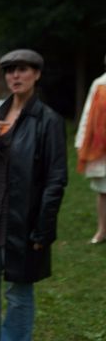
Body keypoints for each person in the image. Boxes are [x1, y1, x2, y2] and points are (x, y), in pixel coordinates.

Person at [0, 49, 67, 341]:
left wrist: (43, 230)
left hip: (23, 219)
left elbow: (56, 180)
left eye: (22, 70)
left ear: (36, 74)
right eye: (10, 70)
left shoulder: (48, 121)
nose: (15, 76)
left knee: (19, 290)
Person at [75, 53, 106, 244]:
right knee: (103, 190)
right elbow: (88, 112)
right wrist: (81, 140)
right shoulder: (100, 84)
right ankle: (102, 230)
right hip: (102, 146)